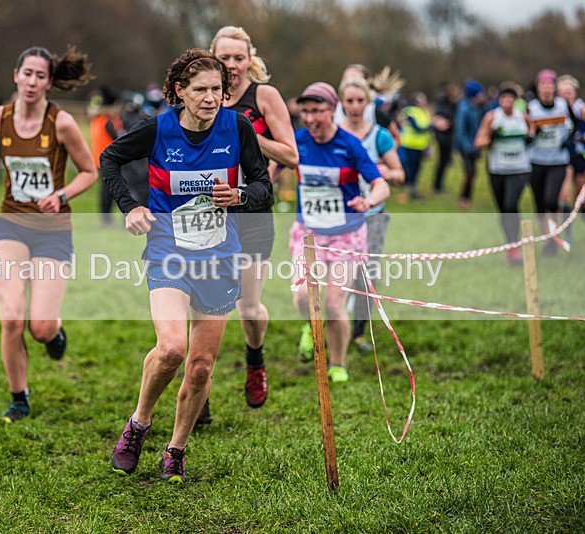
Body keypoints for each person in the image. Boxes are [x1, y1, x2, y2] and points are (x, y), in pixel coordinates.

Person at [101, 48, 271, 483]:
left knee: (200, 367)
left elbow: (262, 185)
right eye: (201, 90)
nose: (211, 98)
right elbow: (110, 159)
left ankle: (175, 450)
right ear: (180, 91)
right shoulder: (158, 129)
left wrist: (241, 197)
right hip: (168, 251)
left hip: (219, 257)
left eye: (218, 89)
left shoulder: (239, 127)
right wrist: (130, 207)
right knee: (173, 347)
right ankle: (139, 424)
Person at [0, 46, 98, 423]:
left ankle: (54, 333)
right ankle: (19, 397)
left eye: (41, 76)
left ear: (49, 83)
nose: (32, 82)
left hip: (53, 231)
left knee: (39, 327)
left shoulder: (61, 123)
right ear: (16, 75)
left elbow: (89, 171)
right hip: (10, 224)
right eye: (27, 74)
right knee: (10, 319)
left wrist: (61, 195)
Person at [207, 26, 298, 420]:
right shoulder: (200, 94)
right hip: (206, 213)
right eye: (224, 58)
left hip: (252, 212)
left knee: (247, 306)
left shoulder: (263, 96)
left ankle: (255, 359)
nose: (231, 65)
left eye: (238, 58)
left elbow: (291, 155)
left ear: (250, 60)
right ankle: (199, 387)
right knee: (203, 305)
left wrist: (243, 133)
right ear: (212, 58)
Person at [291, 82, 389, 383]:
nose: (309, 118)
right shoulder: (297, 141)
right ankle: (310, 325)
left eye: (316, 111)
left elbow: (380, 184)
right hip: (308, 233)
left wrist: (369, 200)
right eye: (305, 111)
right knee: (301, 298)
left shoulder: (349, 144)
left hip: (346, 234)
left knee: (334, 303)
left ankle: (337, 363)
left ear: (332, 111)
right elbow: (270, 167)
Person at [334, 76, 404, 355]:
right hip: (338, 218)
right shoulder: (333, 134)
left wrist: (387, 173)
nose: (354, 106)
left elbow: (400, 173)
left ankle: (360, 332)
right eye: (349, 101)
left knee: (366, 274)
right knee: (338, 274)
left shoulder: (380, 136)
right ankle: (330, 327)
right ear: (341, 103)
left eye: (360, 101)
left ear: (369, 102)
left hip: (373, 215)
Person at [474, 83, 533, 265]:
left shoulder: (522, 116)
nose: (507, 102)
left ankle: (516, 246)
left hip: (519, 169)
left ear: (515, 101)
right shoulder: (492, 117)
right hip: (498, 169)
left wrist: (530, 137)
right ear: (499, 101)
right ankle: (511, 245)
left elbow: (533, 131)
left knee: (510, 204)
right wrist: (491, 138)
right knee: (504, 210)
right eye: (504, 99)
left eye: (510, 99)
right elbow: (478, 142)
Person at [527, 69, 574, 254]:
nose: (546, 88)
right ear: (538, 88)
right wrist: (532, 134)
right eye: (543, 85)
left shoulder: (563, 105)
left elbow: (575, 124)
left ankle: (554, 234)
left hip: (557, 161)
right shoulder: (531, 108)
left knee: (551, 199)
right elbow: (525, 131)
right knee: (539, 204)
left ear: (554, 88)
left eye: (550, 85)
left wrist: (568, 140)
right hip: (535, 161)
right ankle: (548, 240)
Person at [555, 75, 585, 223]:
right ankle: (564, 217)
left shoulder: (580, 107)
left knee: (581, 188)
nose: (566, 95)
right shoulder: (557, 108)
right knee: (563, 189)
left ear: (575, 92)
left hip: (580, 152)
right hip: (563, 153)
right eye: (563, 92)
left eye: (569, 92)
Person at [89, 87, 124, 226]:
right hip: (110, 161)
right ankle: (108, 220)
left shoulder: (97, 119)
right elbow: (119, 139)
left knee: (106, 192)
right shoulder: (108, 121)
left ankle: (106, 220)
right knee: (111, 192)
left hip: (100, 160)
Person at [454, 79, 487, 210]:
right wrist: (468, 148)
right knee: (470, 173)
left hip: (474, 147)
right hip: (467, 148)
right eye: (480, 93)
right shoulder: (464, 108)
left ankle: (466, 198)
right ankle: (464, 199)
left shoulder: (476, 108)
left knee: (472, 173)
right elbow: (460, 130)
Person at [397, 92, 431, 200]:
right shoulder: (409, 111)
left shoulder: (424, 112)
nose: (424, 102)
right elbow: (417, 128)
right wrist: (433, 126)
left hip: (420, 145)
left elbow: (426, 129)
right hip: (410, 145)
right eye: (421, 100)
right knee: (410, 168)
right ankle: (409, 189)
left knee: (417, 169)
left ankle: (413, 189)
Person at [431, 82, 461, 194]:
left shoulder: (455, 104)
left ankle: (439, 185)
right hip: (443, 137)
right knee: (442, 161)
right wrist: (441, 122)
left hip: (449, 136)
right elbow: (440, 118)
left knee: (445, 161)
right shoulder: (443, 103)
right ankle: (437, 186)